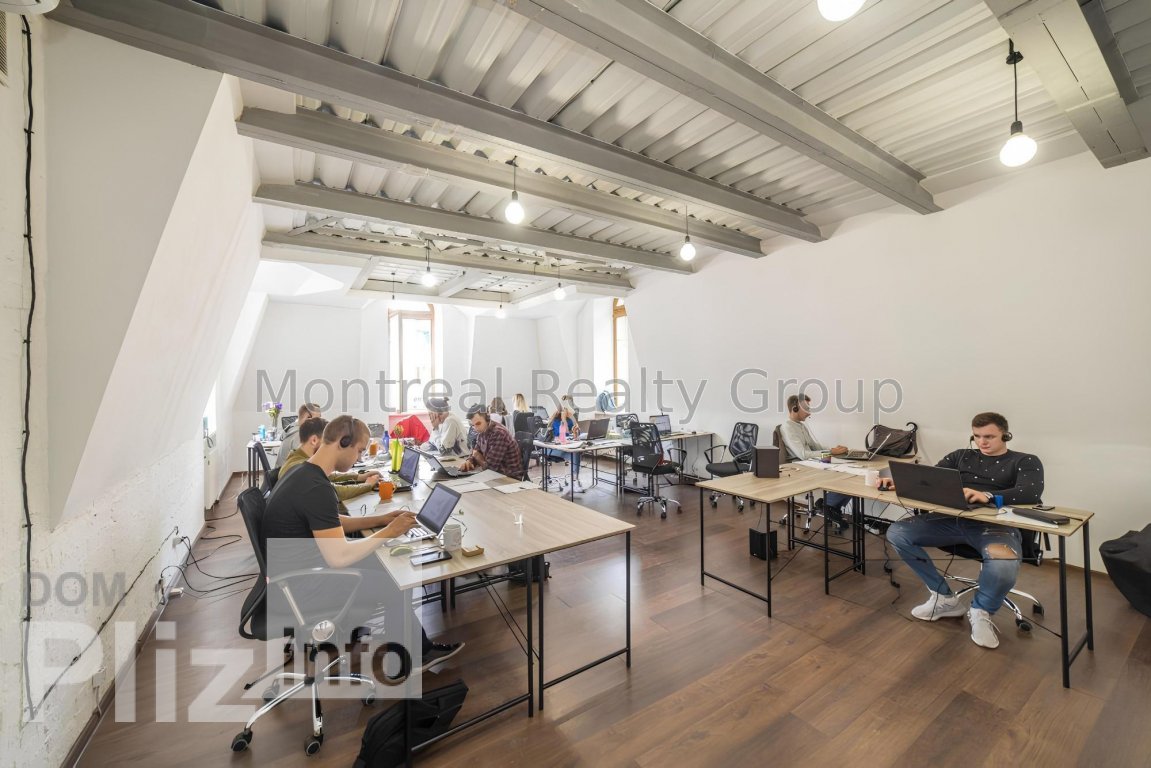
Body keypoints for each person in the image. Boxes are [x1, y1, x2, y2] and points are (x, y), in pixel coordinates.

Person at [262, 415, 463, 670]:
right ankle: (412, 659)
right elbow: (339, 557)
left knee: (386, 564)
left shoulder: (304, 473)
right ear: (343, 442)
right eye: (358, 450)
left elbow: (331, 521)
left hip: (290, 579)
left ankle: (411, 646)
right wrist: (389, 532)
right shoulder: (315, 487)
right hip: (302, 589)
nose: (359, 458)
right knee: (395, 581)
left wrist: (381, 520)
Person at [883, 412, 1044, 649]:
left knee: (1004, 563)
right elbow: (930, 480)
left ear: (1005, 435)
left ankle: (981, 611)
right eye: (977, 436)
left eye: (989, 436)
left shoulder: (1025, 461)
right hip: (949, 521)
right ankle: (944, 598)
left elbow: (1030, 492)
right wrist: (900, 483)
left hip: (995, 528)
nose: (982, 442)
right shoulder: (960, 456)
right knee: (898, 532)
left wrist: (988, 495)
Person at [279, 417, 381, 512]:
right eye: (326, 440)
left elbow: (328, 477)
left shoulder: (298, 461)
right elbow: (334, 491)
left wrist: (359, 477)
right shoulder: (300, 470)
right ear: (314, 440)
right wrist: (367, 485)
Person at [778, 393, 851, 526]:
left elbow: (815, 446)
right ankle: (828, 505)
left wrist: (834, 449)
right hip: (800, 466)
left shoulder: (801, 426)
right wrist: (830, 452)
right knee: (842, 474)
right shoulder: (787, 428)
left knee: (849, 471)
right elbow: (803, 455)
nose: (809, 412)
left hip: (811, 462)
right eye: (806, 408)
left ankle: (831, 505)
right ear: (795, 408)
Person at [460, 407, 524, 479]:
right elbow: (476, 451)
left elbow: (490, 468)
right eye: (472, 425)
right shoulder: (482, 431)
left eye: (478, 424)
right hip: (495, 475)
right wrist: (469, 461)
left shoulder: (499, 434)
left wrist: (477, 456)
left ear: (487, 419)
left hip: (510, 478)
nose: (475, 428)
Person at [545, 406, 584, 492]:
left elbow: (576, 430)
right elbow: (564, 433)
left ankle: (575, 480)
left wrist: (572, 418)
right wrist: (563, 419)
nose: (567, 412)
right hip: (553, 449)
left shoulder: (569, 420)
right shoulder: (555, 421)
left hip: (564, 448)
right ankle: (575, 481)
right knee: (575, 454)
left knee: (576, 453)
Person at [275, 402, 321, 469]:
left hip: (286, 472)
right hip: (287, 473)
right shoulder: (299, 435)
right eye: (317, 419)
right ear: (308, 418)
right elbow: (306, 463)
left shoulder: (292, 427)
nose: (320, 422)